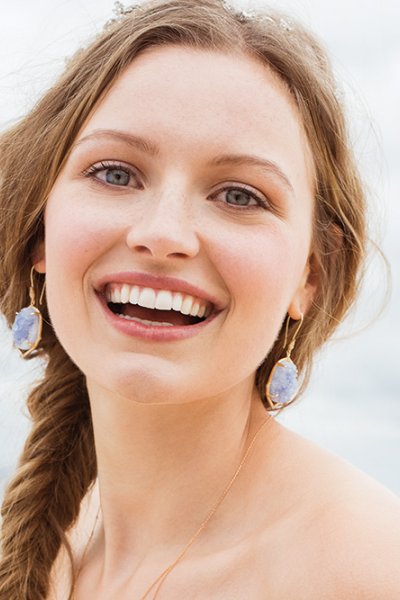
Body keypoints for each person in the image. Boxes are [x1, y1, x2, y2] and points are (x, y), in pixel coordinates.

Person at [0, 0, 399, 598]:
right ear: (38, 232)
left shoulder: (371, 568)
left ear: (309, 277)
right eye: (115, 173)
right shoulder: (35, 547)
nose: (163, 234)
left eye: (239, 195)